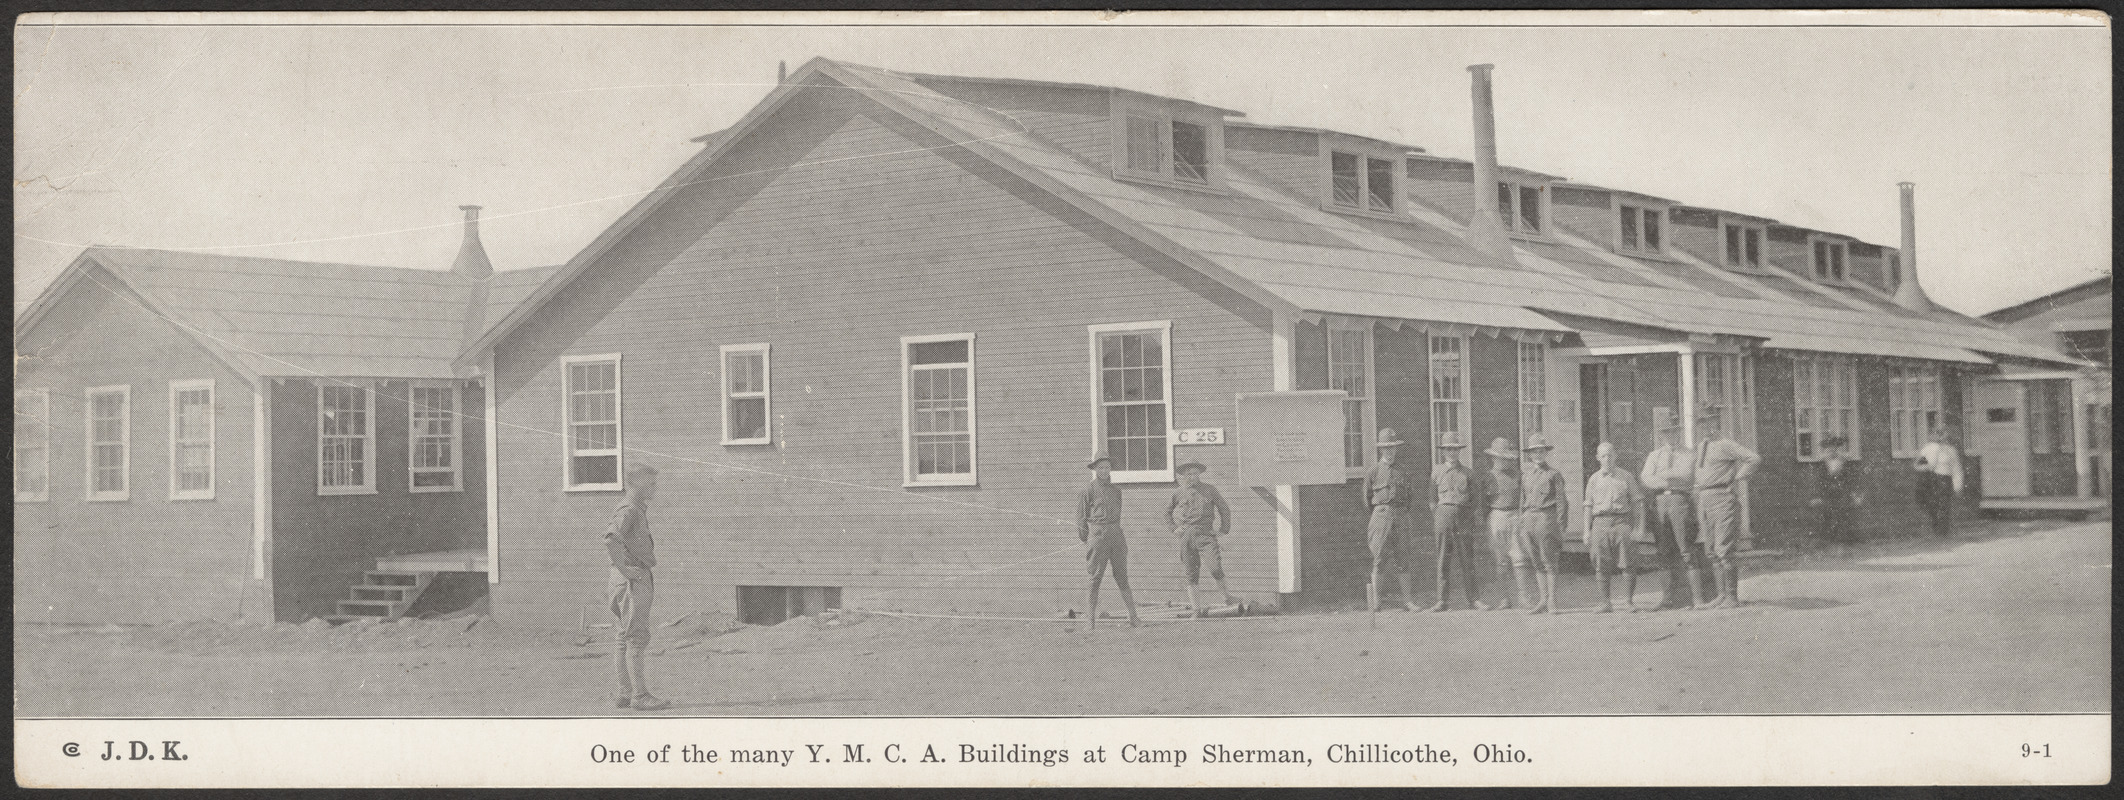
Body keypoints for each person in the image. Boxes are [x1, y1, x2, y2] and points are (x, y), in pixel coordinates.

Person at [604, 463, 670, 711]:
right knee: (636, 638)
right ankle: (639, 696)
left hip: (624, 578)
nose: (655, 488)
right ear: (638, 485)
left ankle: (625, 692)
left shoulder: (634, 509)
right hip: (632, 579)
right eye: (651, 484)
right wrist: (624, 569)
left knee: (624, 636)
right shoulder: (630, 510)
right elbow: (611, 539)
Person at [1693, 408, 1763, 609]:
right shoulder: (1702, 446)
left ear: (1716, 423)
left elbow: (1753, 458)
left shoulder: (1726, 445)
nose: (1706, 427)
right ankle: (1721, 595)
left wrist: (1739, 476)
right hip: (1705, 499)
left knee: (1724, 548)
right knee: (1711, 549)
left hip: (1723, 499)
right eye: (1702, 423)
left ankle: (1732, 597)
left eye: (1710, 422)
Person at [1638, 413, 1707, 611]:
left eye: (1674, 432)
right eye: (1667, 433)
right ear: (1661, 436)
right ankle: (1667, 598)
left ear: (1679, 433)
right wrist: (1669, 476)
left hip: (1680, 501)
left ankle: (1697, 599)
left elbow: (1686, 475)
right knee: (1663, 551)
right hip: (1659, 502)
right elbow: (1646, 479)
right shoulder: (1654, 455)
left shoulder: (1688, 454)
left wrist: (1662, 475)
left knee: (1686, 548)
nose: (1671, 436)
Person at [1076, 452, 1141, 629]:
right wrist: (1089, 540)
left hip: (1116, 535)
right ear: (1095, 469)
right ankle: (1090, 621)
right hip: (1097, 537)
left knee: (1122, 576)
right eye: (1100, 467)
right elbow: (1081, 520)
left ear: (1110, 469)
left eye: (1107, 467)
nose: (1104, 471)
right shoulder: (1087, 491)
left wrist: (1114, 532)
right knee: (1094, 578)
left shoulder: (1116, 491)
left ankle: (1133, 617)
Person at [1362, 428, 1422, 612]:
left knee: (1403, 558)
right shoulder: (1373, 472)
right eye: (1386, 448)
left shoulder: (1403, 471)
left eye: (1393, 447)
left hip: (1401, 516)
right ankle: (1376, 602)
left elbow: (1410, 497)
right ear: (1381, 450)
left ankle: (1407, 601)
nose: (1389, 451)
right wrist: (1382, 513)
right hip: (1380, 517)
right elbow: (1367, 500)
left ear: (1396, 449)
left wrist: (1399, 513)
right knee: (1379, 559)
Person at [1427, 432, 1489, 612]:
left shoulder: (1468, 473)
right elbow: (1432, 499)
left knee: (1467, 559)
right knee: (1442, 559)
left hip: (1463, 519)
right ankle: (1441, 601)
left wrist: (1466, 516)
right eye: (1448, 449)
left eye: (1454, 449)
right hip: (1443, 517)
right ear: (1443, 451)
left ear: (1459, 451)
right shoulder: (1437, 472)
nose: (1452, 453)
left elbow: (1475, 499)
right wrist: (1440, 515)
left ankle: (1474, 600)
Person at [1583, 442, 1647, 613]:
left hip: (1622, 523)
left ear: (1616, 456)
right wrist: (1586, 530)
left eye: (1610, 455)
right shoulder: (1594, 479)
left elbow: (1638, 503)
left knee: (1628, 563)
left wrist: (1639, 528)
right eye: (1603, 456)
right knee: (1600, 563)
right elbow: (1588, 506)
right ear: (1598, 458)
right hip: (1600, 524)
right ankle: (1605, 603)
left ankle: (1628, 601)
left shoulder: (1626, 477)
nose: (1607, 459)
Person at [1166, 461, 1236, 616]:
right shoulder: (1178, 492)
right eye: (1189, 474)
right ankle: (1196, 609)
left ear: (1200, 474)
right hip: (1187, 536)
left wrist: (1223, 530)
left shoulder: (1209, 490)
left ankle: (1227, 598)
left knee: (1215, 567)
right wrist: (1174, 528)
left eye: (1195, 473)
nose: (1192, 477)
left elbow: (1224, 509)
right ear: (1184, 475)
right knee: (1191, 572)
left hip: (1206, 534)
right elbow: (1167, 513)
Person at [1516, 434, 1569, 615]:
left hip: (1546, 520)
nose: (1538, 455)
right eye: (1534, 452)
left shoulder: (1554, 475)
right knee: (1536, 562)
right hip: (1529, 520)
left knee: (1549, 562)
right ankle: (1542, 600)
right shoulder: (1526, 476)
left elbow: (1562, 502)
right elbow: (1522, 500)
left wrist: (1561, 526)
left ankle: (1552, 601)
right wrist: (1522, 521)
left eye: (1541, 451)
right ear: (1530, 455)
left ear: (1545, 453)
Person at [1480, 437, 1528, 611]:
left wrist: (1522, 517)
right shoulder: (1488, 477)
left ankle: (1523, 596)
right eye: (1500, 458)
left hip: (1515, 516)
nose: (1503, 461)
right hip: (1496, 517)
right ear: (1493, 458)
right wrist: (1489, 521)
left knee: (1519, 557)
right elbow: (1484, 503)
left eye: (1506, 458)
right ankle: (1504, 598)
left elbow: (1524, 498)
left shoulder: (1519, 475)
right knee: (1500, 561)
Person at [1809, 435, 1863, 550]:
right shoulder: (1822, 464)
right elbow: (1818, 481)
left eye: (1835, 448)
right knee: (1826, 518)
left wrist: (1854, 495)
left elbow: (1851, 480)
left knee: (1842, 518)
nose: (1832, 451)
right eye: (1829, 448)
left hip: (1842, 494)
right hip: (1827, 495)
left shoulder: (1844, 462)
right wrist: (1816, 496)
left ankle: (1841, 546)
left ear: (1838, 449)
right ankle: (1826, 545)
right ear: (1826, 450)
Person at [1912, 427, 1965, 539]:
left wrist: (1957, 486)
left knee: (1943, 505)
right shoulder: (1928, 448)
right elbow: (1916, 465)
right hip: (1931, 479)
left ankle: (1942, 532)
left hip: (1945, 480)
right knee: (1930, 504)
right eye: (1938, 436)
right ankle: (1936, 526)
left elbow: (1956, 469)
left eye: (1943, 436)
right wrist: (1926, 468)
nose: (1941, 439)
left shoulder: (1951, 450)